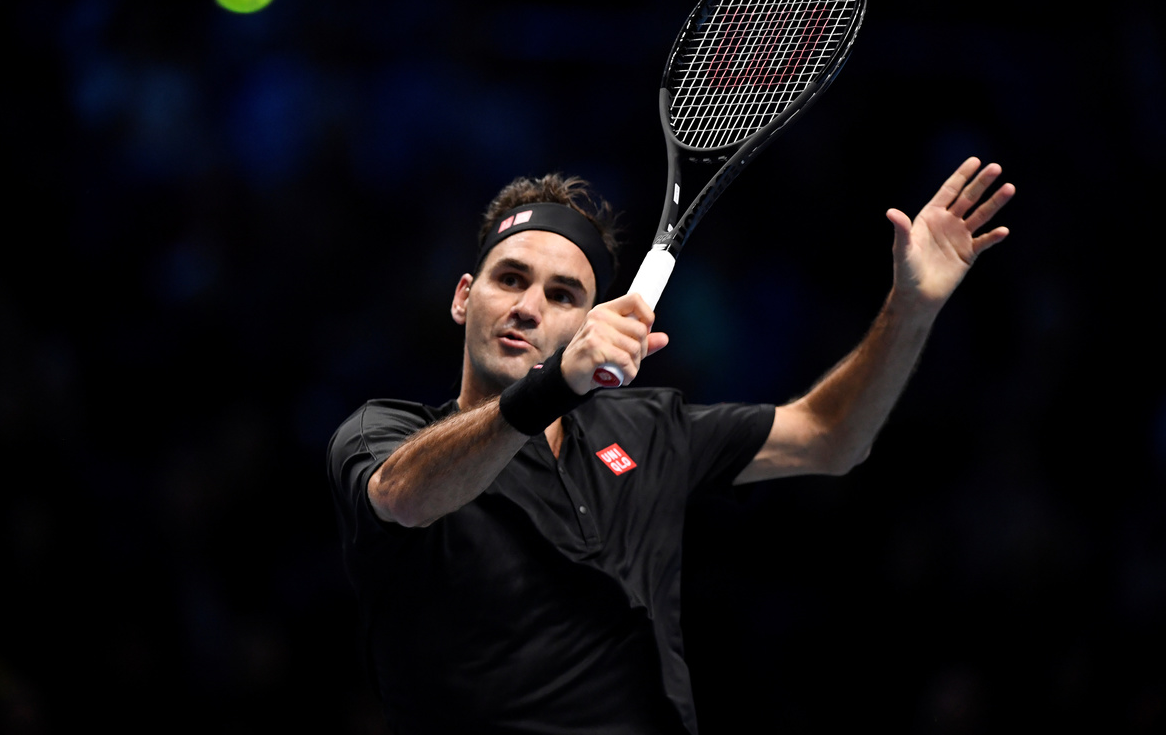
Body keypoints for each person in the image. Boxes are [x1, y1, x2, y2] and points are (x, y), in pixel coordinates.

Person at [328, 159, 1014, 734]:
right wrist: (554, 386)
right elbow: (403, 495)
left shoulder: (648, 428)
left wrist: (911, 308)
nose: (528, 307)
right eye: (510, 279)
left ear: (591, 322)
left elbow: (832, 435)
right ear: (463, 297)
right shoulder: (384, 434)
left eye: (563, 295)